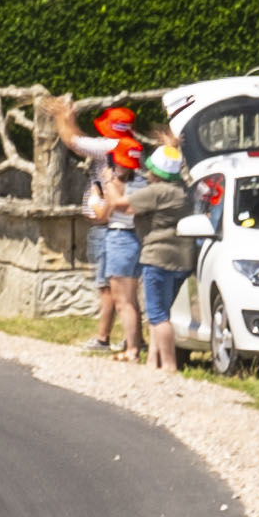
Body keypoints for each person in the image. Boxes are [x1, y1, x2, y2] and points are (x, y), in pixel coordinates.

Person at [75, 102, 159, 356]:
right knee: (131, 299)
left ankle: (131, 348)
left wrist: (100, 191)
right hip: (134, 239)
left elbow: (102, 212)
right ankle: (135, 344)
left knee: (123, 301)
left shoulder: (117, 184)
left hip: (120, 239)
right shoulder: (143, 181)